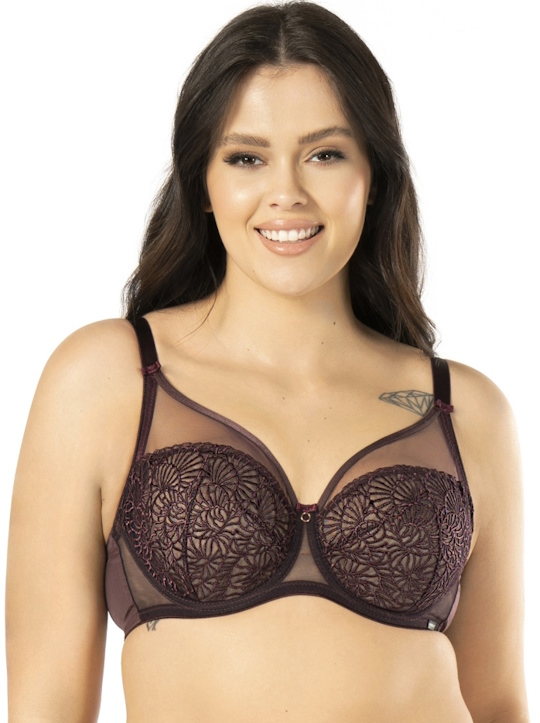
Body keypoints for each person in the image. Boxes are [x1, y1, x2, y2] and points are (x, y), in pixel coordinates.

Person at [5, 2, 529, 721]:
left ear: (373, 177)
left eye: (325, 154)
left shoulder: (465, 410)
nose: (287, 192)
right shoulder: (107, 380)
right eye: (246, 157)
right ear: (204, 182)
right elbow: (46, 705)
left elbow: (498, 702)